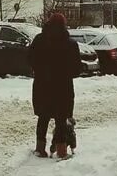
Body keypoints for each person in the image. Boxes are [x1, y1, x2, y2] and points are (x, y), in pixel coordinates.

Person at [27, 13, 82, 159]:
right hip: (62, 88)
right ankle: (62, 150)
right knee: (61, 119)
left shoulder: (39, 40)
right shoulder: (70, 44)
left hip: (42, 86)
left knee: (43, 117)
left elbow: (30, 59)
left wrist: (40, 71)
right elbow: (77, 69)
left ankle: (40, 148)